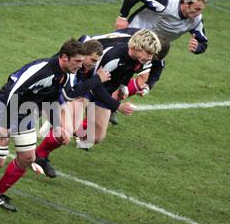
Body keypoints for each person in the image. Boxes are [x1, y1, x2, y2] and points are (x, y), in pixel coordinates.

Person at [0, 39, 111, 212]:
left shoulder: (65, 73)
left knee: (28, 158)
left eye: (82, 62)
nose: (80, 66)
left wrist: (58, 126)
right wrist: (5, 125)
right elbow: (14, 91)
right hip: (5, 107)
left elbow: (54, 99)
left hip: (26, 112)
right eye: (77, 62)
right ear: (64, 57)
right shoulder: (42, 71)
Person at [33, 29, 162, 177]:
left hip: (104, 90)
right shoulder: (113, 56)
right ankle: (40, 155)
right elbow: (94, 84)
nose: (150, 57)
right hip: (87, 87)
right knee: (67, 130)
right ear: (136, 47)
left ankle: (61, 122)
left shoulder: (139, 59)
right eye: (148, 53)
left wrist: (123, 86)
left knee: (95, 137)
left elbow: (127, 71)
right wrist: (117, 105)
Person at [115, 0, 208, 54]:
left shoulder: (196, 20)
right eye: (197, 9)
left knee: (149, 76)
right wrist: (122, 17)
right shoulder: (165, 6)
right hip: (132, 35)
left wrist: (197, 47)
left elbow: (203, 42)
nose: (199, 13)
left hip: (154, 49)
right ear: (186, 4)